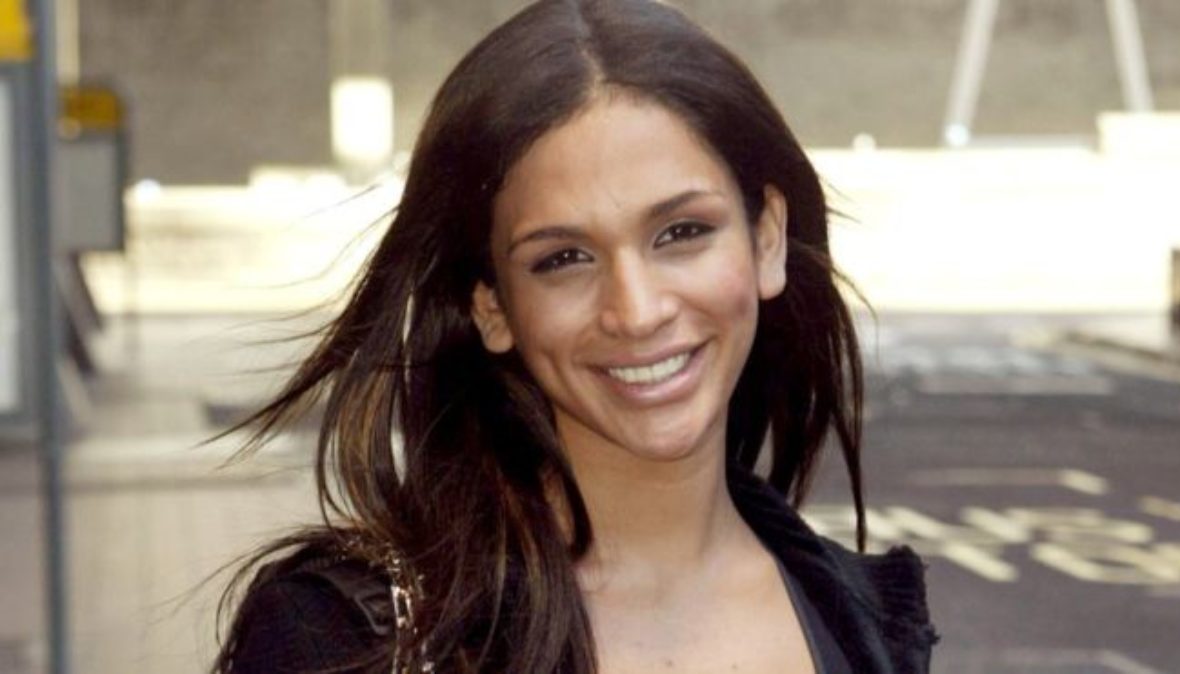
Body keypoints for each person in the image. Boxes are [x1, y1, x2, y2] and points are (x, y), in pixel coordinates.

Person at [214, 1, 937, 672]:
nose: (637, 311)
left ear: (767, 238)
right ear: (492, 306)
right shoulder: (345, 637)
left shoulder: (865, 624)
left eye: (682, 232)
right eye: (563, 259)